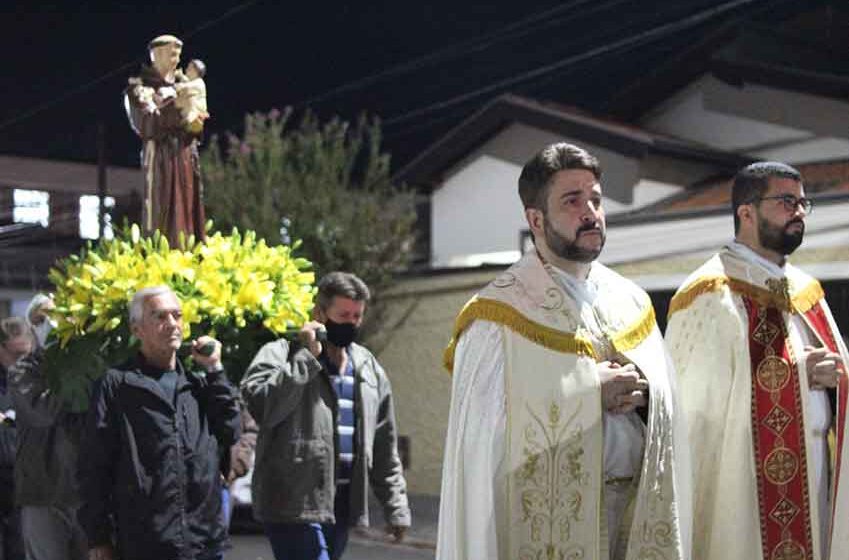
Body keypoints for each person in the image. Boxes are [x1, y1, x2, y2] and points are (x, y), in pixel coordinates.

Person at [437, 142, 691, 560]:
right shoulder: (495, 315)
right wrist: (587, 393)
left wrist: (646, 394)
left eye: (595, 199)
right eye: (572, 201)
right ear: (535, 219)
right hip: (541, 525)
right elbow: (482, 437)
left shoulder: (630, 300)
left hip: (635, 515)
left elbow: (671, 402)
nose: (590, 212)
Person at [665, 161, 849, 560]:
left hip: (815, 478)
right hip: (744, 495)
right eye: (786, 201)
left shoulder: (805, 291)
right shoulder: (709, 294)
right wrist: (798, 377)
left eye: (803, 203)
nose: (798, 212)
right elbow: (694, 409)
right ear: (745, 213)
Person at [241, 272, 411, 560]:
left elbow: (383, 445)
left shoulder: (368, 368)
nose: (351, 323)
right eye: (343, 315)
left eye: (357, 316)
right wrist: (306, 358)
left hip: (340, 505)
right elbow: (262, 406)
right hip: (291, 502)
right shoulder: (280, 353)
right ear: (319, 313)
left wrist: (396, 507)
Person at [78, 286, 240, 560]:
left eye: (177, 316)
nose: (172, 324)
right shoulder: (117, 385)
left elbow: (230, 430)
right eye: (160, 317)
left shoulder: (198, 384)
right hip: (146, 541)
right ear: (137, 329)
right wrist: (99, 537)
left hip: (203, 540)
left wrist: (215, 370)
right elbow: (94, 465)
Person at [9, 297, 88, 560]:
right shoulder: (22, 371)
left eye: (57, 318)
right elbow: (43, 412)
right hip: (41, 492)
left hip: (85, 492)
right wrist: (64, 365)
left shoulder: (88, 365)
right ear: (32, 328)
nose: (51, 325)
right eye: (41, 320)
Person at [124, 35, 207, 246]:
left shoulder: (186, 85)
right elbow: (146, 124)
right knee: (162, 215)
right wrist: (175, 107)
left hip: (186, 157)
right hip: (160, 159)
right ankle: (160, 264)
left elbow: (195, 124)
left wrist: (195, 123)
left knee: (188, 213)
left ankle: (190, 258)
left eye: (178, 54)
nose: (177, 59)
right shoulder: (139, 88)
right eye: (172, 53)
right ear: (156, 54)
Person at [0, 318, 31, 560]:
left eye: (26, 354)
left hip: (25, 475)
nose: (22, 361)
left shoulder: (35, 376)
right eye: (16, 355)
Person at [174, 59, 209, 135]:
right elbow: (185, 81)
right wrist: (179, 75)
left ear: (195, 71)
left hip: (193, 119)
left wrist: (170, 85)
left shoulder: (199, 83)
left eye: (189, 68)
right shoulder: (192, 82)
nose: (186, 70)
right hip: (185, 117)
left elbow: (184, 87)